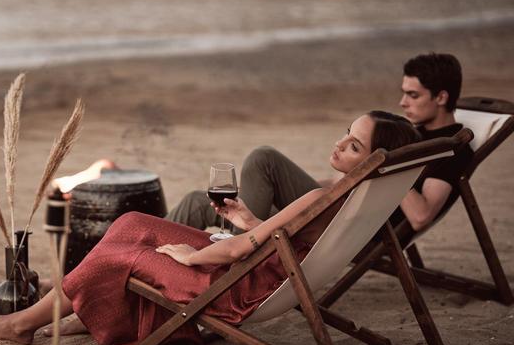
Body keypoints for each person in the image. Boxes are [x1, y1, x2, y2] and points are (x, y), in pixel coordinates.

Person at [0, 111, 421, 345]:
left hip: (240, 284)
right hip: (262, 269)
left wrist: (191, 256)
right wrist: (245, 219)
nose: (340, 143)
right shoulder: (350, 196)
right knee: (130, 224)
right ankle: (83, 309)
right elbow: (281, 239)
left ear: (373, 161)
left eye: (354, 145)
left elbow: (239, 251)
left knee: (123, 253)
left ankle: (23, 323)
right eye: (346, 132)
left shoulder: (321, 196)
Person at [165, 52, 472, 235]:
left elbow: (420, 218)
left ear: (441, 97)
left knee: (264, 158)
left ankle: (239, 245)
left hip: (351, 227)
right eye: (404, 92)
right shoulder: (410, 130)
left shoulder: (449, 148)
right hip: (337, 204)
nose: (402, 102)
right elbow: (350, 179)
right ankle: (120, 248)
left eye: (413, 95)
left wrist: (392, 163)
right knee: (196, 200)